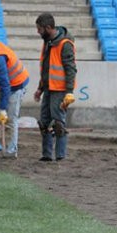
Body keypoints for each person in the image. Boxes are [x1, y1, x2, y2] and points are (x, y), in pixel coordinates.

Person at [33, 13, 77, 161]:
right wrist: (40, 88)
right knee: (44, 122)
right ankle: (46, 155)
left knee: (58, 123)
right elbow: (46, 69)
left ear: (48, 28)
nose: (38, 32)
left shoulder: (65, 44)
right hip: (48, 89)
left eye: (39, 29)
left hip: (60, 90)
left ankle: (60, 156)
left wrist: (69, 92)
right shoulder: (47, 42)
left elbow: (70, 69)